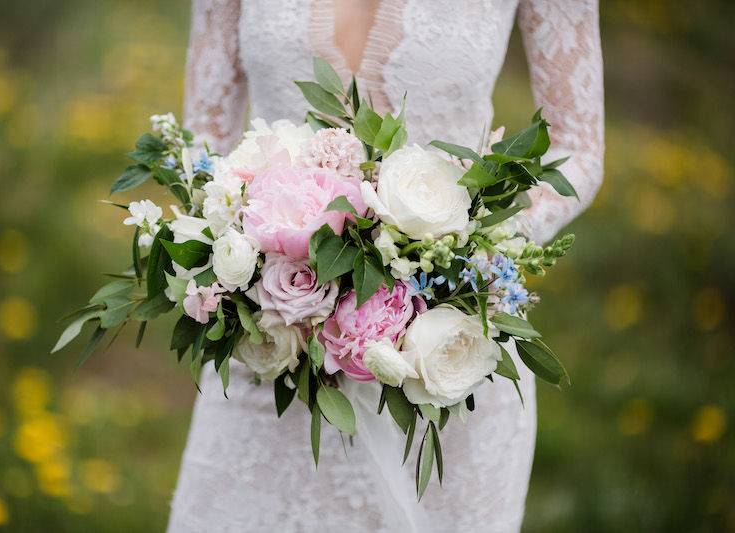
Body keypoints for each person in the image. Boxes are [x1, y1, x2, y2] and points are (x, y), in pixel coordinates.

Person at [168, 1, 604, 531]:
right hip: (272, 345)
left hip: (446, 357)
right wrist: (245, 252)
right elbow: (202, 147)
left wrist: (473, 248)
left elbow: (576, 148)